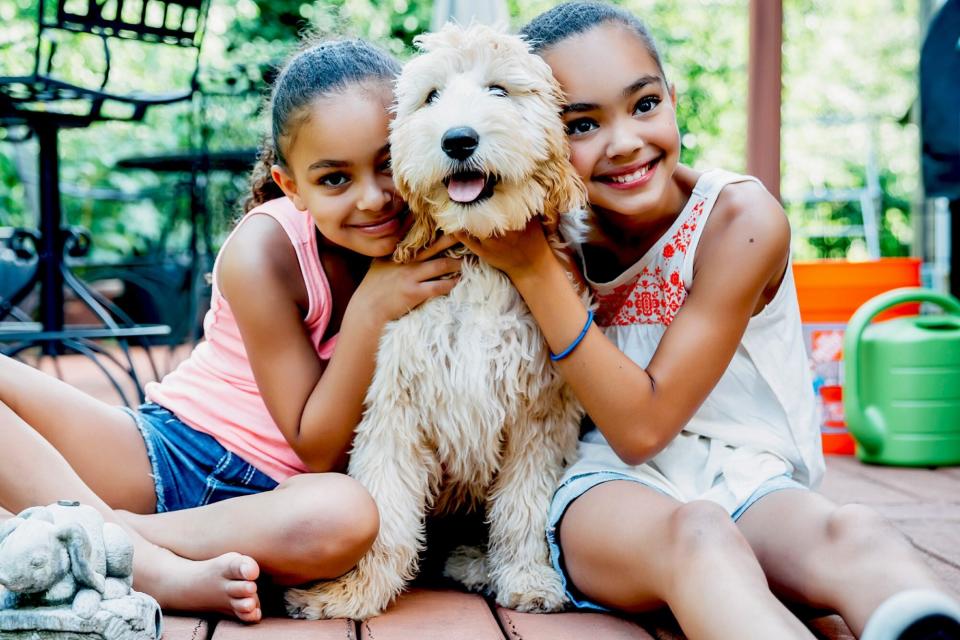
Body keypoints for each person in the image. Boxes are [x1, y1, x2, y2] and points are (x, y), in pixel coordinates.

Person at [456, 3, 960, 639]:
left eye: (643, 105)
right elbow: (631, 447)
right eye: (582, 124)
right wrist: (534, 258)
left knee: (851, 530)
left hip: (749, 474)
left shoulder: (738, 220)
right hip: (605, 483)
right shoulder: (545, 234)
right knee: (697, 535)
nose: (626, 142)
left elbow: (647, 422)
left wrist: (535, 272)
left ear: (673, 97)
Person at [0, 38, 461, 623]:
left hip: (283, 508)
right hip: (165, 457)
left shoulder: (443, 237)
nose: (373, 197)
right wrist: (371, 309)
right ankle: (144, 559)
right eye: (334, 179)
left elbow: (325, 472)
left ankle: (102, 536)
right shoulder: (264, 250)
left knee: (348, 517)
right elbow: (312, 443)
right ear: (291, 185)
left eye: (389, 162)